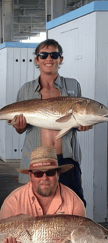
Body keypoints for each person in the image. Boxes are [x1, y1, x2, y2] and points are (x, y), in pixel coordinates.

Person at [11, 39, 92, 207]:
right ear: (36, 59)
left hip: (67, 158)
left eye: (54, 55)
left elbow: (78, 120)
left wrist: (84, 125)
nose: (49, 59)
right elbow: (20, 130)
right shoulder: (26, 89)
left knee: (73, 206)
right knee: (36, 207)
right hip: (37, 159)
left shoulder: (73, 85)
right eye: (43, 55)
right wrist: (18, 126)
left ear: (60, 59)